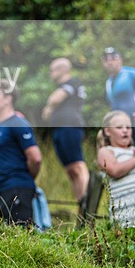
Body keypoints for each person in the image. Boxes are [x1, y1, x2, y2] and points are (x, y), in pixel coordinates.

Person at [0, 82, 42, 226]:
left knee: (19, 236)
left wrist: (25, 181)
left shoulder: (18, 123)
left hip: (17, 189)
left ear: (8, 99)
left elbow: (35, 158)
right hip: (0, 191)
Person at [97, 111, 135, 228]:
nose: (125, 130)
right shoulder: (106, 151)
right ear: (107, 131)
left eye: (128, 127)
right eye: (119, 127)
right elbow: (114, 171)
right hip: (126, 215)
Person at [41, 58, 89, 206]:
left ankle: (88, 201)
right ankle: (81, 203)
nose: (50, 74)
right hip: (59, 129)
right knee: (70, 170)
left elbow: (54, 100)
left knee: (78, 166)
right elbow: (45, 114)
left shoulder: (73, 82)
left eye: (53, 70)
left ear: (63, 69)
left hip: (70, 127)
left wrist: (50, 106)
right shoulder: (64, 86)